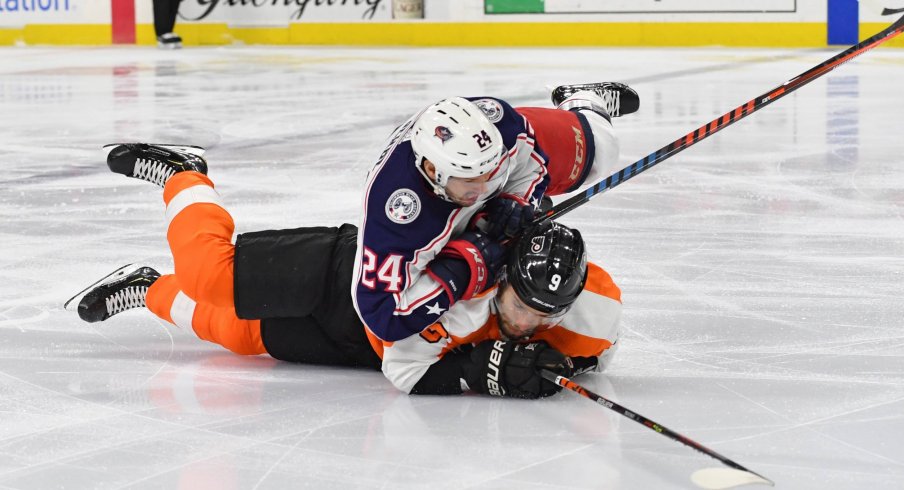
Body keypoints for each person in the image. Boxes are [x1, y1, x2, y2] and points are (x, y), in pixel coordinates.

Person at [65, 143, 622, 398]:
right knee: (210, 276)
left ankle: (145, 289)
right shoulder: (465, 295)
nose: (526, 322)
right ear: (506, 276)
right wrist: (479, 374)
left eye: (542, 314)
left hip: (358, 346)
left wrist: (550, 366)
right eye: (520, 304)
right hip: (351, 275)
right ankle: (183, 177)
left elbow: (591, 350)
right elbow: (408, 360)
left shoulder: (589, 311)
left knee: (235, 334)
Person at [353, 82, 638, 349]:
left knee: (602, 151)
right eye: (471, 181)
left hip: (472, 166)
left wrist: (517, 199)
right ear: (432, 171)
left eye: (489, 175)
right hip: (430, 217)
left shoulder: (500, 127)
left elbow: (530, 163)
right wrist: (459, 272)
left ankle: (583, 99)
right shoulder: (396, 217)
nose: (483, 189)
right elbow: (382, 316)